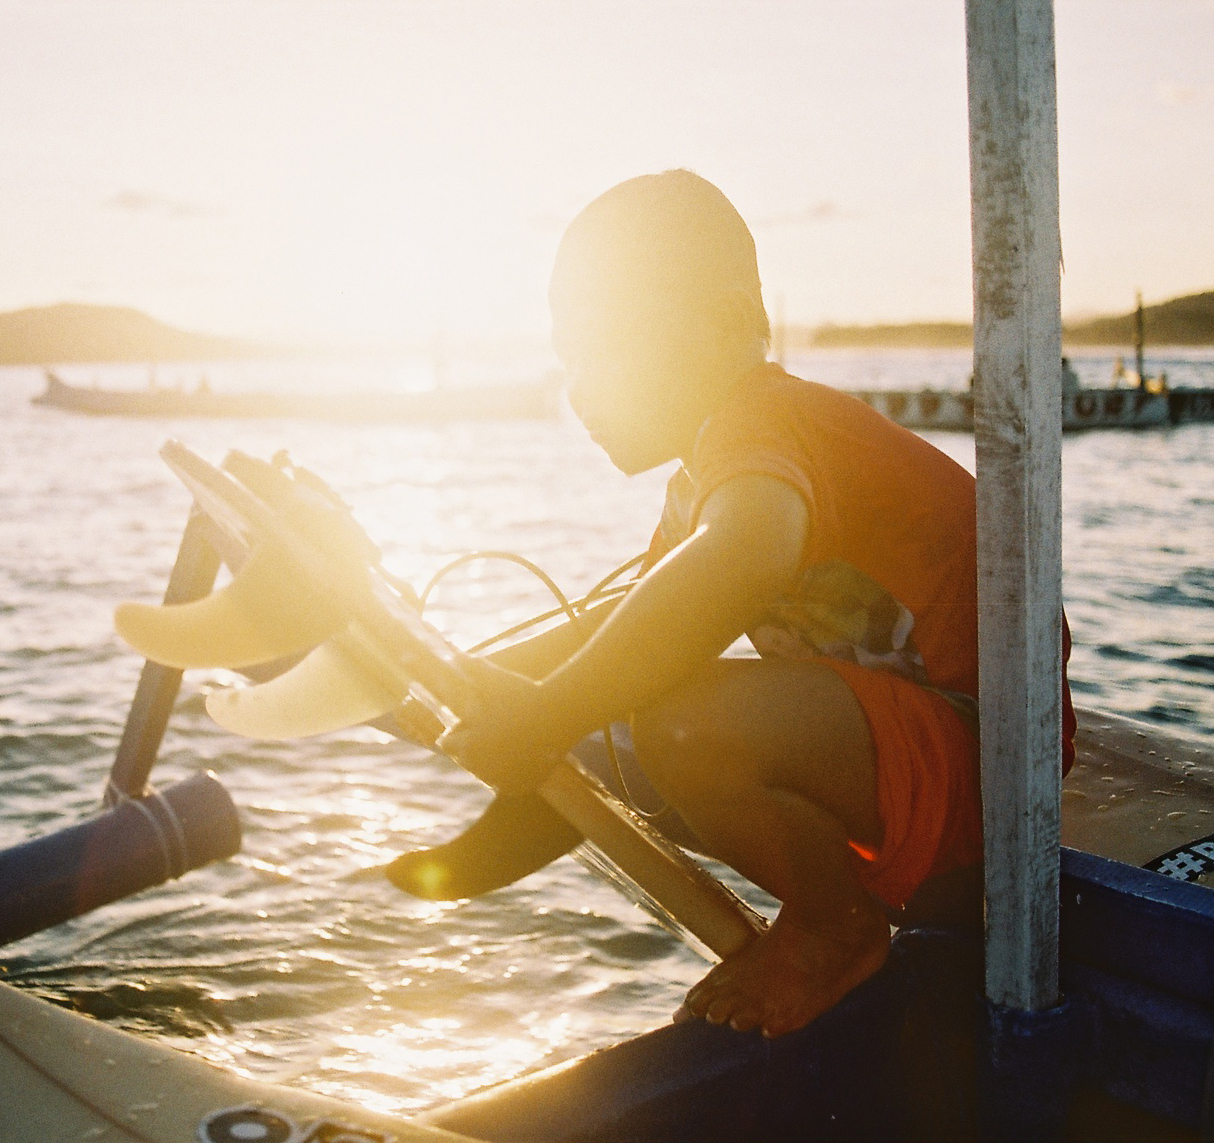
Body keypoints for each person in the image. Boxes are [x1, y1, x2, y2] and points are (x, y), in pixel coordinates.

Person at [435, 169, 1074, 1039]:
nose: (578, 388)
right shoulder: (707, 475)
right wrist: (467, 674)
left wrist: (550, 710)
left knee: (680, 722)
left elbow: (738, 560)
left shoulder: (767, 424)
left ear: (731, 326)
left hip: (991, 768)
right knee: (629, 693)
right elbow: (628, 617)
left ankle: (834, 928)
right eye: (567, 358)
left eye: (605, 347)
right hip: (909, 761)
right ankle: (546, 818)